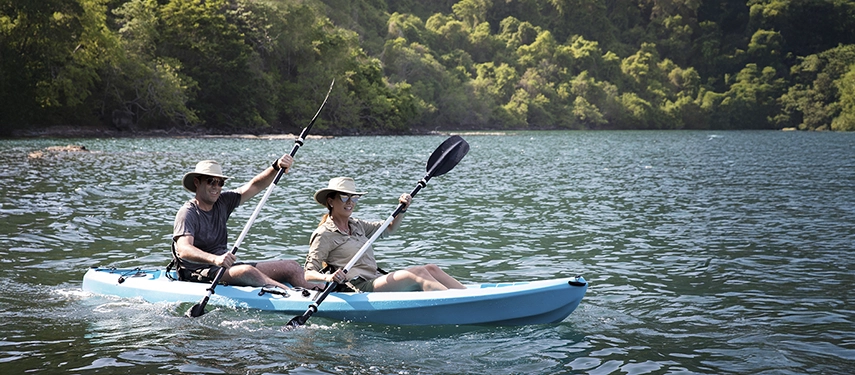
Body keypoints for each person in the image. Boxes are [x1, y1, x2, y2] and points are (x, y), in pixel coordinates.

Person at [171, 157, 317, 291]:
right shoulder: (187, 212)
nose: (216, 187)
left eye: (220, 182)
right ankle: (290, 295)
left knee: (291, 266)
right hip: (198, 271)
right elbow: (184, 249)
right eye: (211, 181)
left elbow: (254, 185)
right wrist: (215, 259)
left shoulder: (223, 201)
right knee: (246, 271)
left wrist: (276, 166)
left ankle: (323, 292)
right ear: (197, 182)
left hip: (224, 267)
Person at [303, 177, 465, 292]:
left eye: (354, 198)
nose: (350, 202)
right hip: (357, 286)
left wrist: (402, 209)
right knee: (418, 273)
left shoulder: (357, 224)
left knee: (431, 268)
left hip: (375, 277)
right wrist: (329, 278)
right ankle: (458, 304)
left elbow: (388, 229)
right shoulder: (323, 234)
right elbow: (308, 273)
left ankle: (467, 295)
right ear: (331, 201)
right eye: (344, 197)